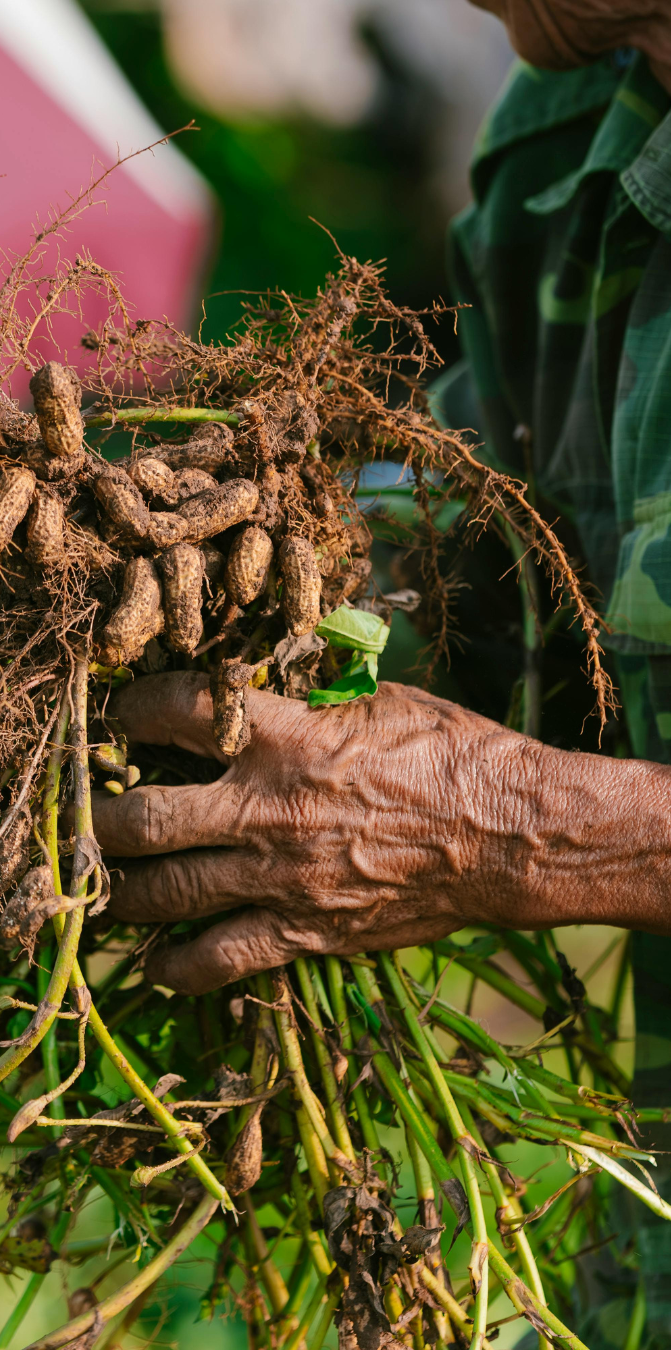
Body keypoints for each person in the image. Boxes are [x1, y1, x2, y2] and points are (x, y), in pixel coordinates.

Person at [93, 1, 671, 1342]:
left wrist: (520, 830)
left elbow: (501, 817)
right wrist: (198, 568)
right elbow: (505, 563)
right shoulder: (571, 131)